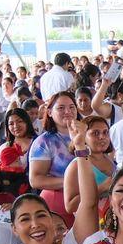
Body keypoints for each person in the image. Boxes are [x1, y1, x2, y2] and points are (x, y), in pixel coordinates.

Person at [27, 91, 78, 222]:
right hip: (57, 203)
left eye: (72, 107)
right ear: (49, 112)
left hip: (88, 198)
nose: (67, 111)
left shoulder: (86, 134)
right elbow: (36, 180)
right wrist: (73, 182)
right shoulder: (44, 142)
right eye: (61, 108)